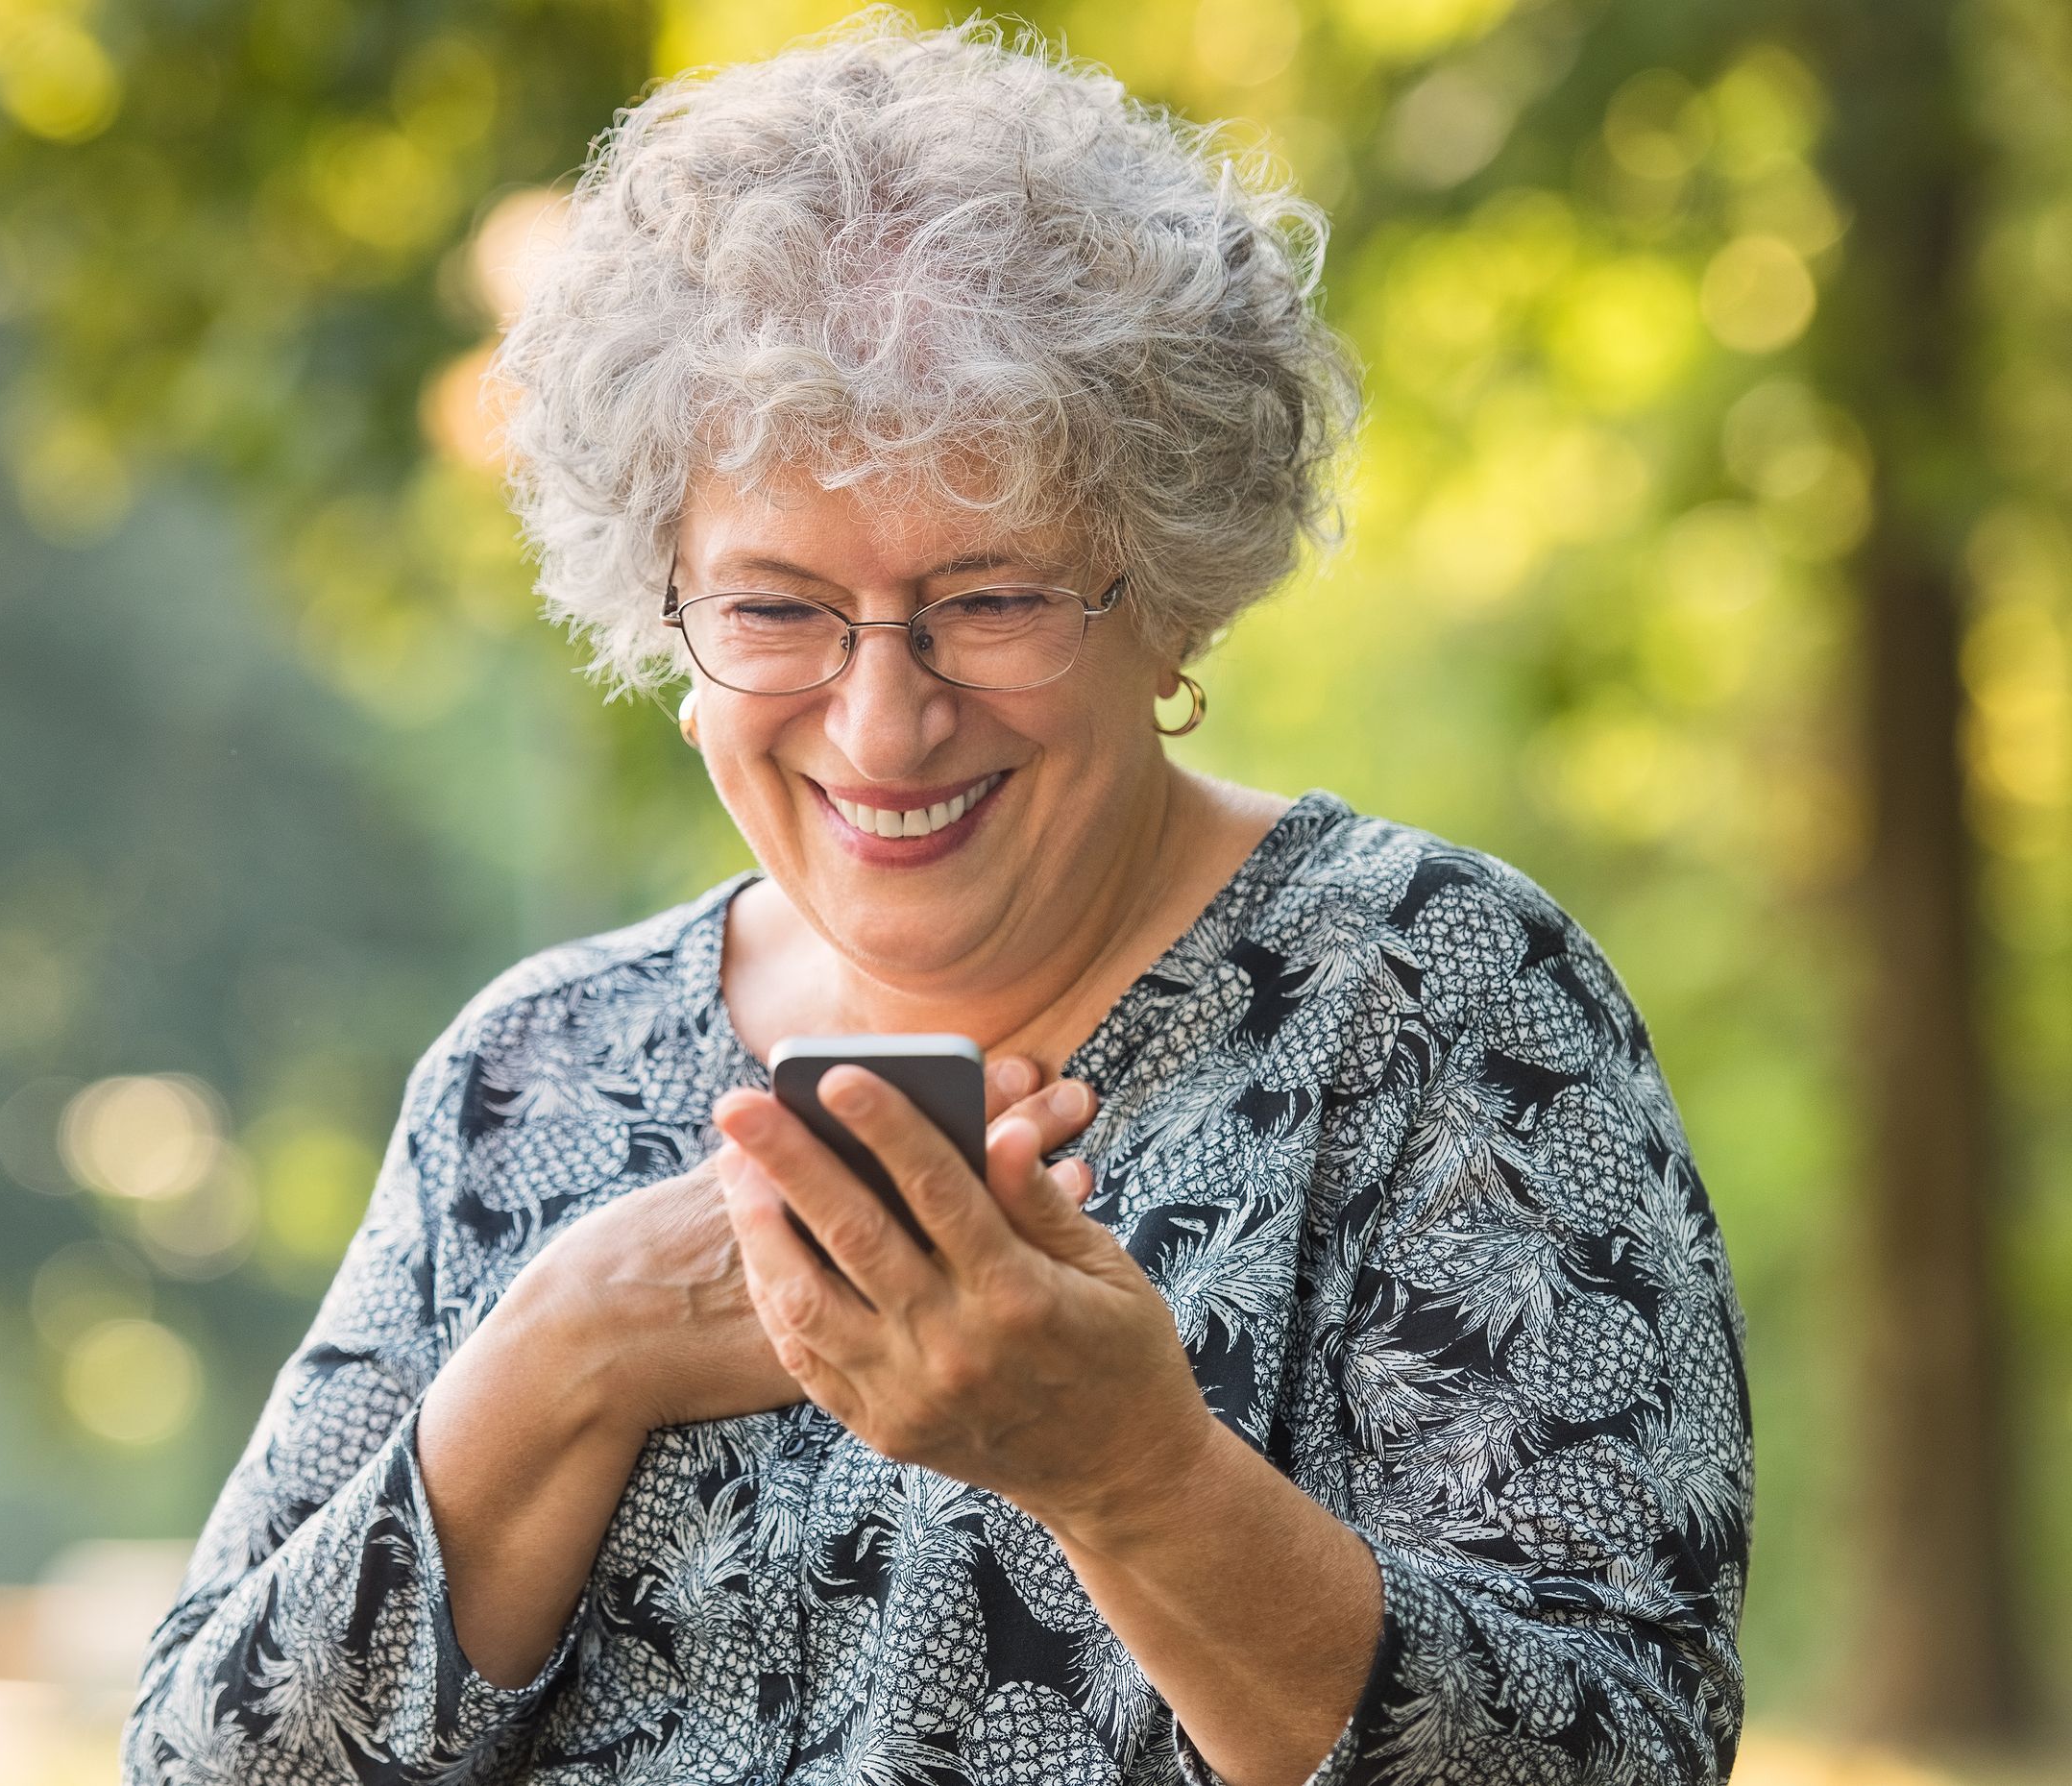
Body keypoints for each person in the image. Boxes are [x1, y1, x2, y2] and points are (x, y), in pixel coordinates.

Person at [123, 16, 1750, 1785]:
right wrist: (565, 1353)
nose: (883, 718)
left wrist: (1134, 1476)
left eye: (990, 600)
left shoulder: (1428, 996)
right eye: (772, 609)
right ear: (661, 611)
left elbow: (1625, 1757)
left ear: (1172, 599)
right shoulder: (533, 1078)